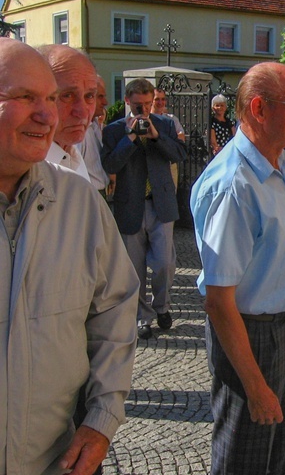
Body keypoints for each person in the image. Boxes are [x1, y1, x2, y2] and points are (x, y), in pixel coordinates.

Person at [0, 38, 138, 475]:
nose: (48, 114)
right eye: (25, 98)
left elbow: (115, 308)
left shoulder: (78, 199)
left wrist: (102, 419)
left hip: (53, 464)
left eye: (48, 99)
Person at [190, 62, 285, 475]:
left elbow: (278, 256)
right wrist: (256, 386)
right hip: (248, 334)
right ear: (260, 109)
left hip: (281, 326)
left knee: (279, 458)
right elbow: (219, 301)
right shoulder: (234, 184)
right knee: (244, 463)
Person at [102, 78, 187, 340]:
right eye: (139, 105)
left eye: (148, 104)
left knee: (164, 263)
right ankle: (142, 317)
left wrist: (156, 136)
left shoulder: (163, 124)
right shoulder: (114, 130)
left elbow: (179, 155)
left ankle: (162, 306)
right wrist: (129, 138)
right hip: (131, 205)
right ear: (128, 101)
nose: (144, 110)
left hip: (160, 203)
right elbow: (110, 164)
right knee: (134, 267)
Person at [38, 44, 96, 181]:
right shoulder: (20, 173)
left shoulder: (73, 156)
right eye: (67, 95)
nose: (82, 112)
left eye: (89, 96)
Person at [78, 75, 116, 199]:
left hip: (101, 194)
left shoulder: (95, 127)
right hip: (88, 196)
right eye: (100, 97)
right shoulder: (79, 132)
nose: (105, 102)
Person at [152, 87, 186, 191]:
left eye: (163, 99)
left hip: (170, 164)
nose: (160, 102)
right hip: (154, 163)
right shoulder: (146, 120)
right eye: (157, 99)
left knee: (171, 193)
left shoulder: (172, 119)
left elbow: (181, 138)